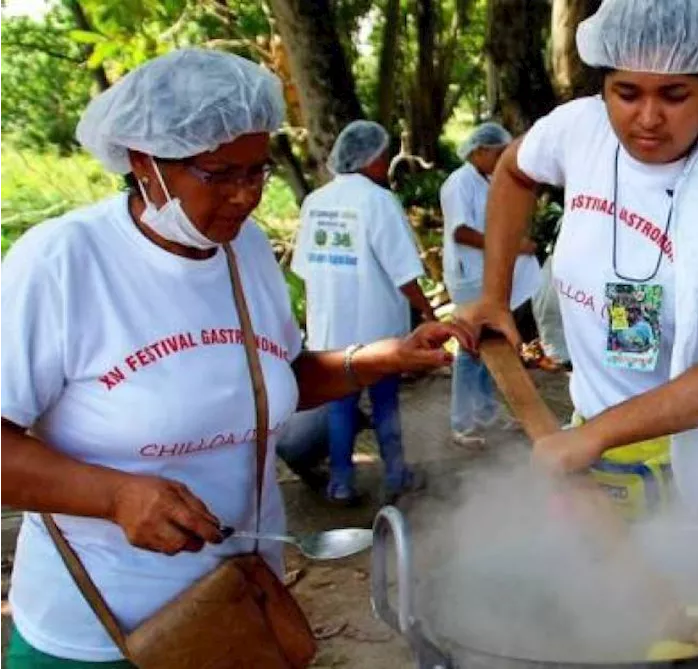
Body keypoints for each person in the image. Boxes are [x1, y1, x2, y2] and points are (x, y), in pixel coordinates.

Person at [0, 48, 466, 667]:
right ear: (145, 161)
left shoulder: (241, 250)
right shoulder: (63, 262)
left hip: (239, 607)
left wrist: (383, 357)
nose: (246, 197)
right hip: (99, 627)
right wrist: (115, 496)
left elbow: (272, 378)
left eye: (258, 171)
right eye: (219, 173)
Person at [457, 0, 698, 530]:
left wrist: (594, 436)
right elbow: (514, 171)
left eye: (674, 95)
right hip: (592, 453)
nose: (647, 118)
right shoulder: (580, 130)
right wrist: (493, 294)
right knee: (598, 607)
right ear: (603, 86)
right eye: (626, 93)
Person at [290, 120, 436, 505]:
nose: (385, 163)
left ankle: (340, 483)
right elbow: (403, 272)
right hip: (377, 330)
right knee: (385, 402)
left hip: (330, 329)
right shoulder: (378, 201)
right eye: (383, 156)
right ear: (371, 159)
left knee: (341, 406)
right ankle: (396, 473)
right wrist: (428, 312)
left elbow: (303, 268)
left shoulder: (315, 201)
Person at [440, 122, 542, 446]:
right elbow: (461, 232)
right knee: (470, 348)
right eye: (498, 153)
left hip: (486, 274)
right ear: (479, 151)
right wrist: (511, 245)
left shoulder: (487, 181)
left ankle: (485, 412)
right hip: (469, 275)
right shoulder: (459, 183)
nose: (502, 158)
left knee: (492, 345)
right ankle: (462, 422)